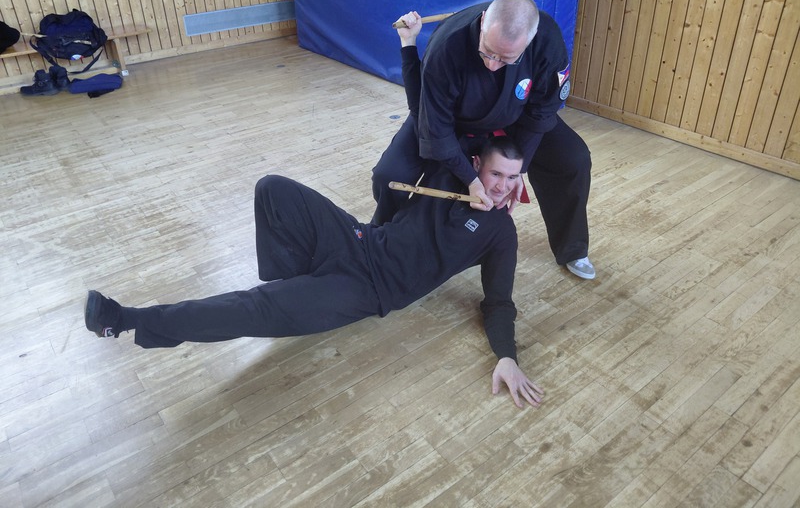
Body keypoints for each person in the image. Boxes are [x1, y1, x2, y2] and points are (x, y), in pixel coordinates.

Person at [85, 136, 545, 409]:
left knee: (253, 308)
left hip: (367, 289)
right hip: (357, 240)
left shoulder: (499, 234)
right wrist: (408, 47)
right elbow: (430, 116)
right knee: (273, 188)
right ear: (475, 166)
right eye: (496, 174)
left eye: (512, 178)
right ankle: (294, 284)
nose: (502, 186)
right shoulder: (450, 176)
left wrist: (507, 356)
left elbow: (498, 302)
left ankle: (127, 320)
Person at [372, 0, 596, 280]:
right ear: (482, 23)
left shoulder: (547, 40)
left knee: (573, 158)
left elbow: (542, 111)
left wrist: (515, 171)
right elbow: (434, 127)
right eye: (487, 51)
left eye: (505, 59)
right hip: (454, 122)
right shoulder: (447, 45)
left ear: (528, 42)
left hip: (515, 117)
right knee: (390, 174)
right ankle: (380, 237)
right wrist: (472, 180)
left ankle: (572, 248)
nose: (492, 64)